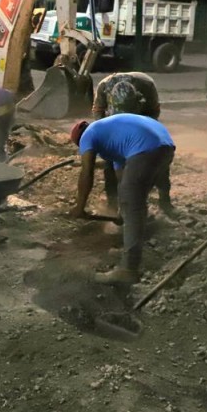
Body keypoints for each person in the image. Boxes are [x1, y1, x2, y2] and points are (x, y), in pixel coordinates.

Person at [69, 114, 176, 285]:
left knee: (133, 206)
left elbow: (86, 172)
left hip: (145, 148)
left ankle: (128, 270)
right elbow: (122, 179)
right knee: (133, 200)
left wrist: (79, 207)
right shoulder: (112, 140)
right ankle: (137, 236)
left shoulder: (88, 135)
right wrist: (121, 211)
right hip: (165, 146)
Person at [91, 72, 174, 217]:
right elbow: (98, 112)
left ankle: (165, 200)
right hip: (114, 121)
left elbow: (154, 113)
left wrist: (140, 136)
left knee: (157, 154)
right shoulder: (103, 88)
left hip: (144, 118)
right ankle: (113, 203)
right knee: (109, 162)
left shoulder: (147, 86)